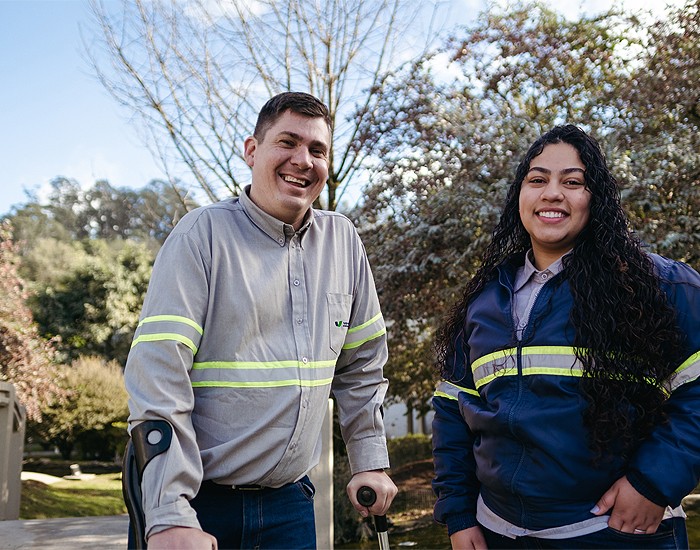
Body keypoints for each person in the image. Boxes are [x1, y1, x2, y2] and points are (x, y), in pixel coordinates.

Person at [124, 91, 397, 549]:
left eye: (317, 150)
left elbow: (362, 368)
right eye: (287, 142)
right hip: (197, 505)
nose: (302, 160)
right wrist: (170, 512)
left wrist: (369, 460)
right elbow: (158, 374)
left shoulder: (344, 242)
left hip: (289, 505)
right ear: (253, 150)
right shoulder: (200, 236)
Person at [431, 124, 700, 549]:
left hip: (613, 535)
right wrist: (460, 514)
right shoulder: (484, 301)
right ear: (519, 196)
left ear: (597, 199)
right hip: (497, 534)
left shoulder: (660, 286)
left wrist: (654, 482)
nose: (552, 193)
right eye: (537, 179)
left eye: (573, 182)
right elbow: (452, 411)